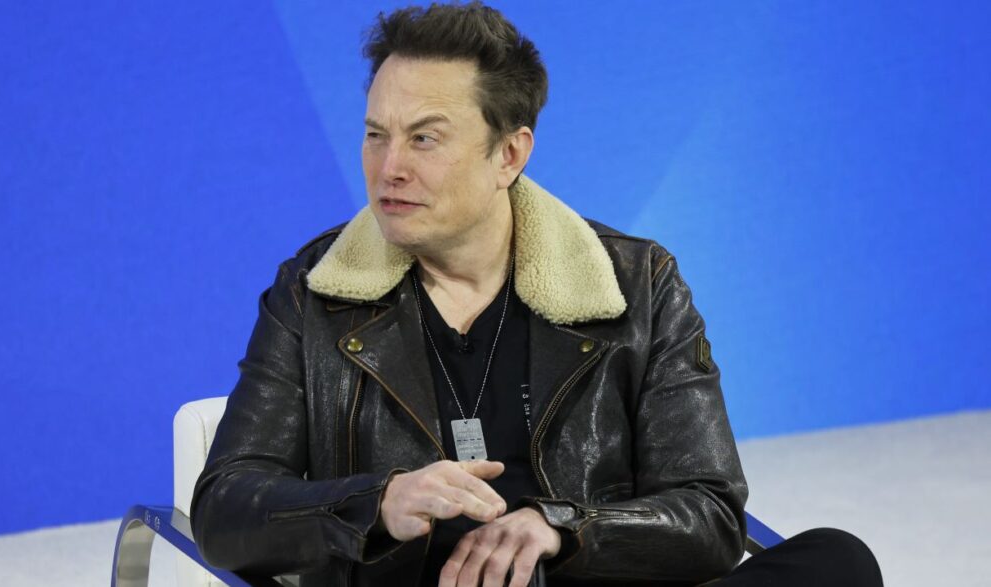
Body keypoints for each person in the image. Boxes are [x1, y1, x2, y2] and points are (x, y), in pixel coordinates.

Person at [191, 3, 883, 586]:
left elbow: (710, 514)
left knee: (837, 560)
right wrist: (377, 502)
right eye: (377, 135)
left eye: (425, 138)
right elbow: (224, 507)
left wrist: (565, 528)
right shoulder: (314, 293)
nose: (389, 166)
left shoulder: (638, 285)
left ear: (510, 154)